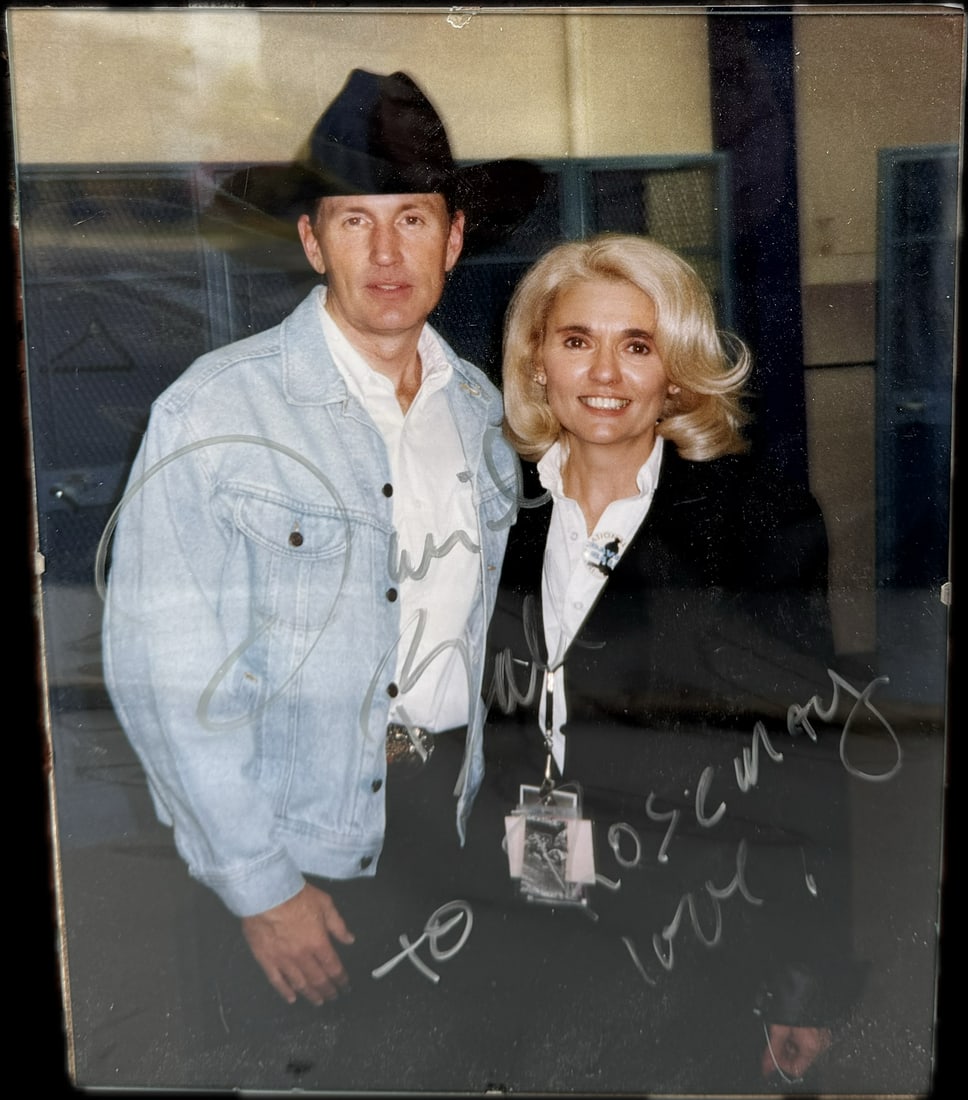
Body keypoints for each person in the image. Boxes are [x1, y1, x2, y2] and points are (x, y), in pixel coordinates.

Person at [99, 68, 542, 1055]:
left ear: (453, 239)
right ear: (311, 241)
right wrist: (258, 885)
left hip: (455, 821)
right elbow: (162, 673)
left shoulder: (482, 410)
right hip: (296, 840)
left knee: (456, 1061)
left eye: (413, 220)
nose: (385, 252)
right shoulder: (212, 412)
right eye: (353, 221)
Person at [477, 234, 864, 1093]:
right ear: (537, 361)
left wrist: (805, 982)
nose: (604, 373)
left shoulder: (757, 522)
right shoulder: (495, 512)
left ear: (677, 375)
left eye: (638, 346)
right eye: (576, 340)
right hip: (518, 899)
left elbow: (801, 764)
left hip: (692, 921)